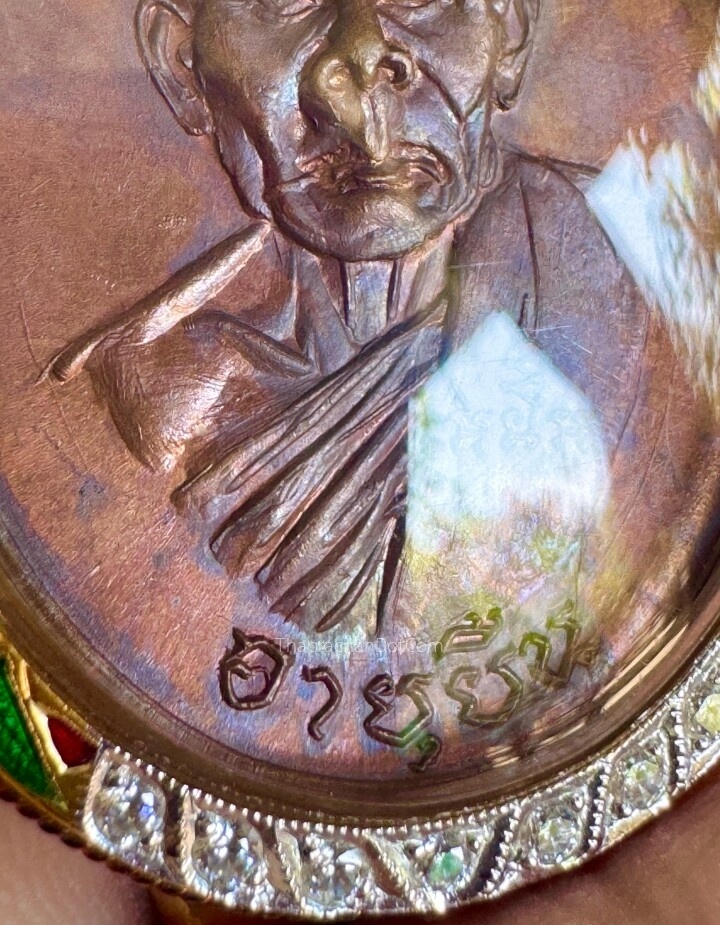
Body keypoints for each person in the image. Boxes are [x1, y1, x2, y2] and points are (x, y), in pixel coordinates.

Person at [45, 0, 712, 647]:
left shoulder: (645, 287)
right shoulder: (158, 380)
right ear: (180, 65)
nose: (359, 59)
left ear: (507, 35)